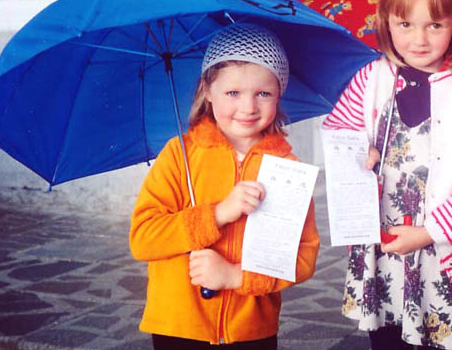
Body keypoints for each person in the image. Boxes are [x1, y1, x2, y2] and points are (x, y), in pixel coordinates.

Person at [323, 0, 452, 349]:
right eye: (405, 24)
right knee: (386, 339)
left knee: (438, 340)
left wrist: (427, 233)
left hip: (440, 249)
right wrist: (358, 153)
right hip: (381, 244)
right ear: (386, 20)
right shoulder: (371, 79)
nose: (419, 39)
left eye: (434, 25)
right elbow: (338, 134)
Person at [130, 23, 320, 349]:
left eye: (263, 93)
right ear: (207, 90)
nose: (248, 107)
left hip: (251, 331)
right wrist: (217, 214)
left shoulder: (287, 168)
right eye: (233, 93)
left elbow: (302, 257)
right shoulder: (179, 155)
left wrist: (235, 276)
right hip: (180, 327)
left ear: (279, 94)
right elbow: (143, 239)